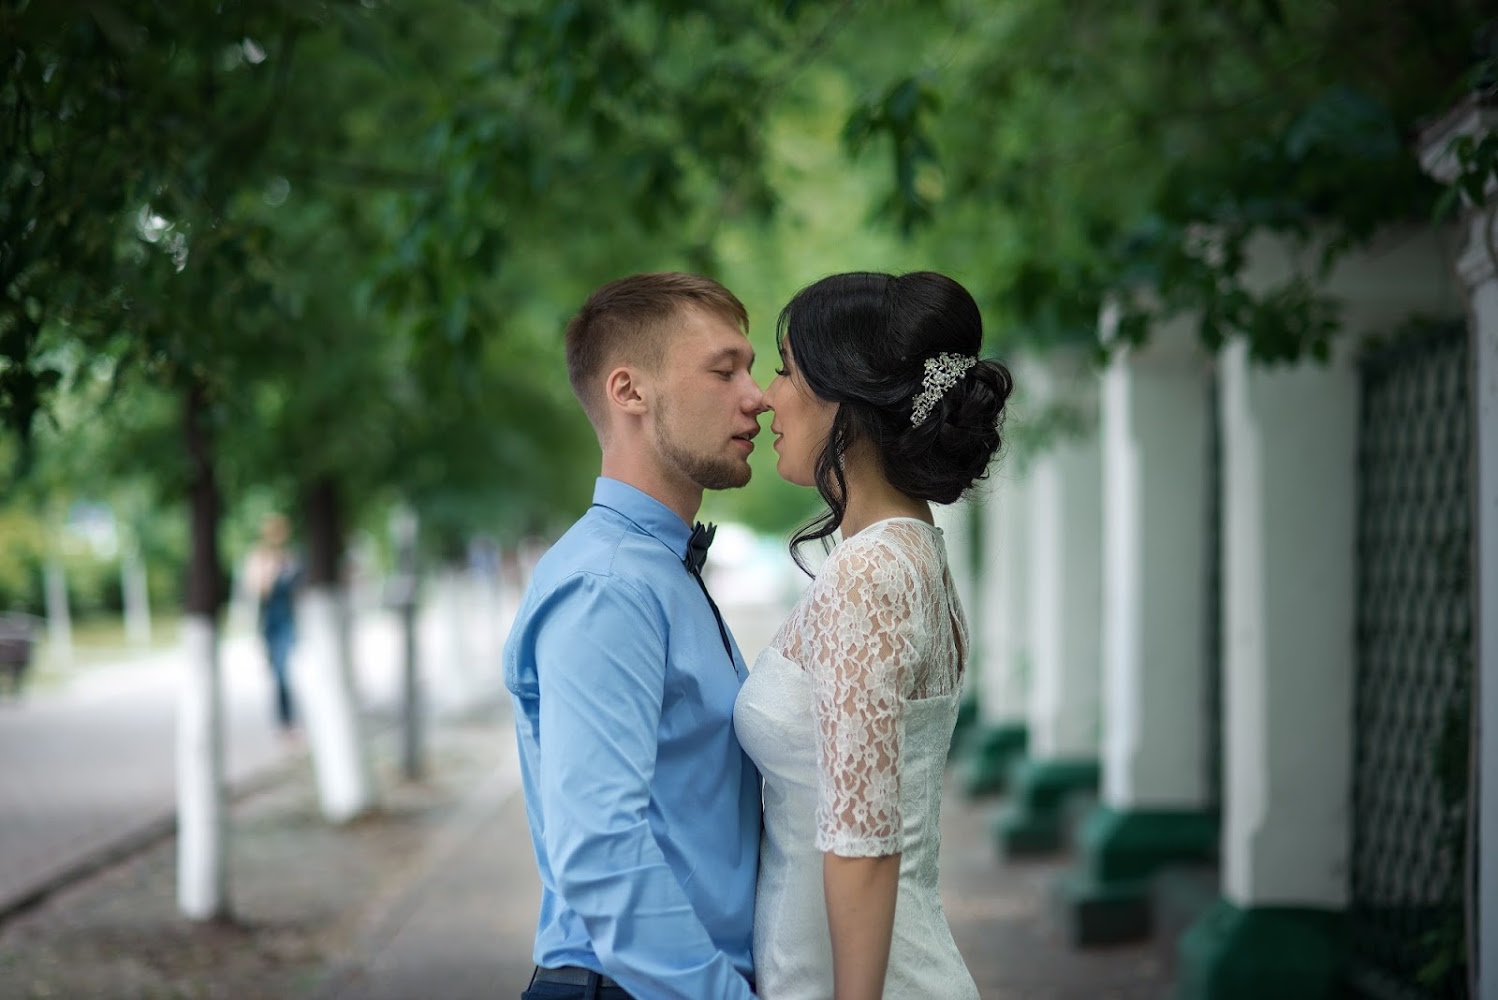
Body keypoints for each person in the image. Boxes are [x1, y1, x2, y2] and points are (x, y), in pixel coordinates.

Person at [735, 271, 1012, 999]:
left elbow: (864, 844)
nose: (767, 396)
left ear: (847, 402)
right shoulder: (908, 549)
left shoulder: (871, 577)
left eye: (787, 371)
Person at [503, 273, 765, 1000]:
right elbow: (603, 852)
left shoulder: (657, 567)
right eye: (724, 369)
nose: (757, 395)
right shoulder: (610, 586)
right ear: (629, 392)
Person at [245, 513, 301, 732]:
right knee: (277, 672)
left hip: (288, 620)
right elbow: (258, 589)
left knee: (283, 669)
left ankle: (288, 720)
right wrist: (273, 570)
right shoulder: (260, 558)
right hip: (270, 622)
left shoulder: (291, 557)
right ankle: (284, 721)